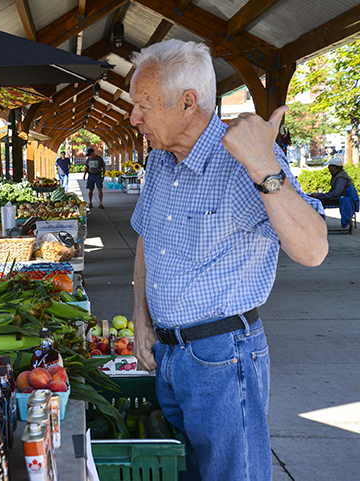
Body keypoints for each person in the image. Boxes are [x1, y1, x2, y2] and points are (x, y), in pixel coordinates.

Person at [128, 40, 328, 481]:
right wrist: (142, 321)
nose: (133, 118)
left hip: (222, 358)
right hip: (168, 354)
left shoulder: (246, 162)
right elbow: (147, 240)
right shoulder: (160, 161)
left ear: (187, 102)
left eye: (143, 105)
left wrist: (263, 164)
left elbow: (313, 249)